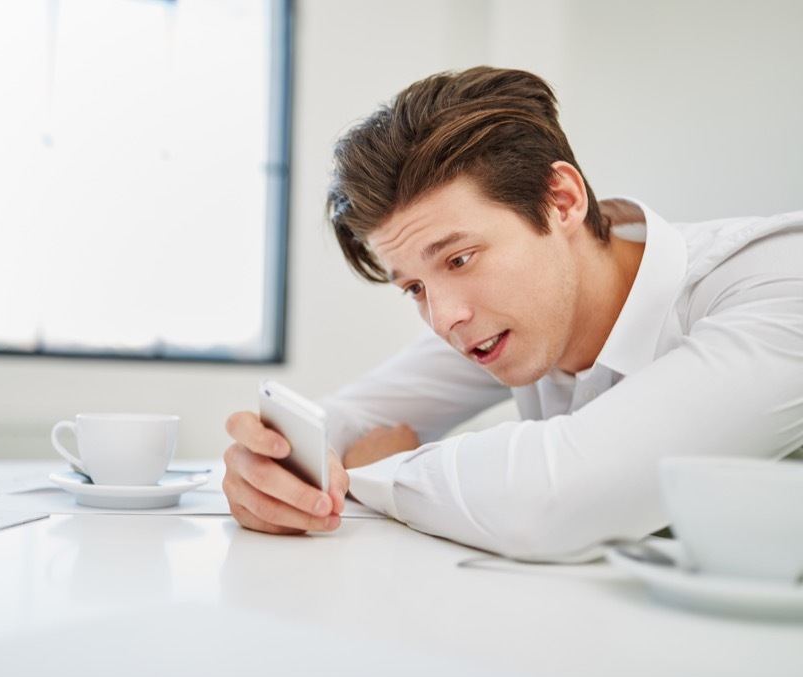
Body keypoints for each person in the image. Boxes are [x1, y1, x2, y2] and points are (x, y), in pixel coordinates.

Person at [222, 66, 803, 561]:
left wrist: (377, 471)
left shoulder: (776, 281)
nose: (444, 318)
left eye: (461, 258)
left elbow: (561, 497)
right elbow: (348, 417)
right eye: (415, 288)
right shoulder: (511, 313)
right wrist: (271, 467)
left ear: (561, 202)